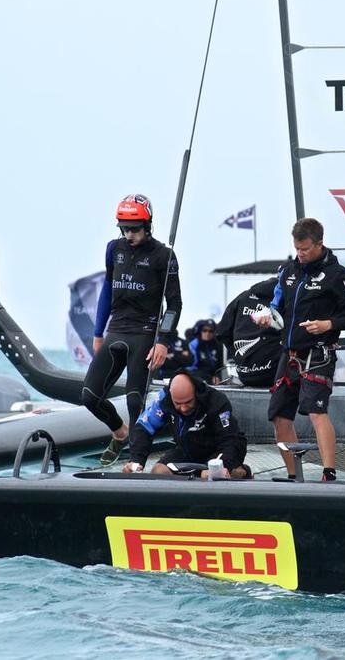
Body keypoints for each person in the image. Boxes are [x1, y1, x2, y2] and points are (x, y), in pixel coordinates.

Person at [255, 218, 345, 481]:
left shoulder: (339, 276)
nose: (300, 254)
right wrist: (265, 316)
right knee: (279, 417)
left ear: (319, 244)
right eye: (297, 248)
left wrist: (329, 324)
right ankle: (295, 476)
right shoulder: (288, 270)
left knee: (316, 412)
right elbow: (276, 306)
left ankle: (329, 473)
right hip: (288, 354)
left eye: (305, 249)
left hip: (318, 354)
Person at [82, 193, 182, 466]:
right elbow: (107, 290)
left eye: (134, 229)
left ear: (148, 225)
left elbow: (174, 304)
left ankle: (138, 461)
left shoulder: (164, 256)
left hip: (145, 332)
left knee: (135, 400)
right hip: (116, 329)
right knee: (89, 396)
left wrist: (163, 341)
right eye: (124, 228)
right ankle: (120, 432)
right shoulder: (114, 249)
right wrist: (98, 332)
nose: (129, 234)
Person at [122, 371, 249, 479]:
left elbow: (230, 440)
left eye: (188, 402)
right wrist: (136, 461)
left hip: (217, 451)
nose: (183, 408)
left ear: (196, 394)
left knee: (215, 476)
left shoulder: (217, 401)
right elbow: (144, 427)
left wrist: (223, 465)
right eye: (178, 403)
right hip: (188, 449)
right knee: (158, 472)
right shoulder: (164, 398)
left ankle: (242, 471)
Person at [216, 277, 282, 387]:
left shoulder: (243, 297)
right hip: (274, 374)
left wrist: (238, 357)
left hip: (244, 375)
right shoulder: (289, 298)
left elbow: (221, 332)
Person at [187, 319, 225, 384]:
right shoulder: (194, 344)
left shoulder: (217, 345)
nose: (207, 333)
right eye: (204, 330)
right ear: (200, 331)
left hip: (214, 380)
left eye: (211, 331)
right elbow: (192, 367)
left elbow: (220, 366)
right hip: (197, 380)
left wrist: (217, 377)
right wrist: (210, 378)